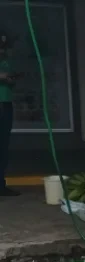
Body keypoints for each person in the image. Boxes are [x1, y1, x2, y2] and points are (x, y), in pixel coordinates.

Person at [0, 32, 18, 196]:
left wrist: (9, 80)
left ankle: (1, 184)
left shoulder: (6, 61)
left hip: (5, 104)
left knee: (3, 145)